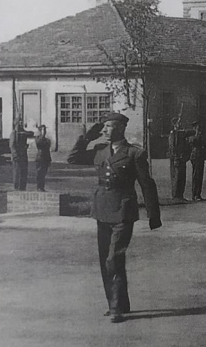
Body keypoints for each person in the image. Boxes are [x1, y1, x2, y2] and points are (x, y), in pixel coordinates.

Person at [67, 113, 161, 323]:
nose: (105, 130)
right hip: (102, 209)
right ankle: (117, 303)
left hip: (123, 210)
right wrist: (87, 138)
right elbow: (72, 158)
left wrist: (153, 215)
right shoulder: (100, 151)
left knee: (114, 258)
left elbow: (147, 184)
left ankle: (117, 307)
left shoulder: (134, 153)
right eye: (105, 127)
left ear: (120, 129)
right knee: (105, 260)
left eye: (109, 126)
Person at [168, 117, 194, 203]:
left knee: (182, 177)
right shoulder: (173, 134)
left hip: (182, 159)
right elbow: (172, 147)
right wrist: (175, 157)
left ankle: (180, 196)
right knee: (177, 177)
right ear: (174, 125)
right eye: (178, 123)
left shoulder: (180, 133)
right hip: (177, 159)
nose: (180, 124)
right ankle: (176, 196)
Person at [9, 117, 35, 191]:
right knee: (17, 172)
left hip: (23, 155)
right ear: (16, 124)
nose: (21, 123)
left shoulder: (22, 133)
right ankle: (17, 188)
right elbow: (12, 145)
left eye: (21, 122)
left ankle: (23, 187)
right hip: (17, 156)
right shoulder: (14, 133)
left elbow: (31, 133)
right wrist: (15, 155)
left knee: (24, 172)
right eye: (19, 122)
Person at [188, 122, 206, 201]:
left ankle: (198, 194)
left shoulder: (200, 136)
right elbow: (193, 142)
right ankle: (195, 194)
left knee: (200, 176)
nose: (199, 129)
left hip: (200, 157)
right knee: (196, 176)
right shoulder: (192, 137)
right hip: (195, 157)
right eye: (197, 128)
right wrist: (197, 134)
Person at [34, 124, 52, 192]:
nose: (44, 132)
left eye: (45, 130)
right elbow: (39, 144)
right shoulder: (38, 139)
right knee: (39, 173)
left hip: (46, 158)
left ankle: (42, 187)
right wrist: (41, 136)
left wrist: (49, 160)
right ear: (40, 131)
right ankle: (39, 187)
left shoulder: (47, 140)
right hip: (40, 158)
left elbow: (48, 150)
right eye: (43, 130)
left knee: (44, 174)